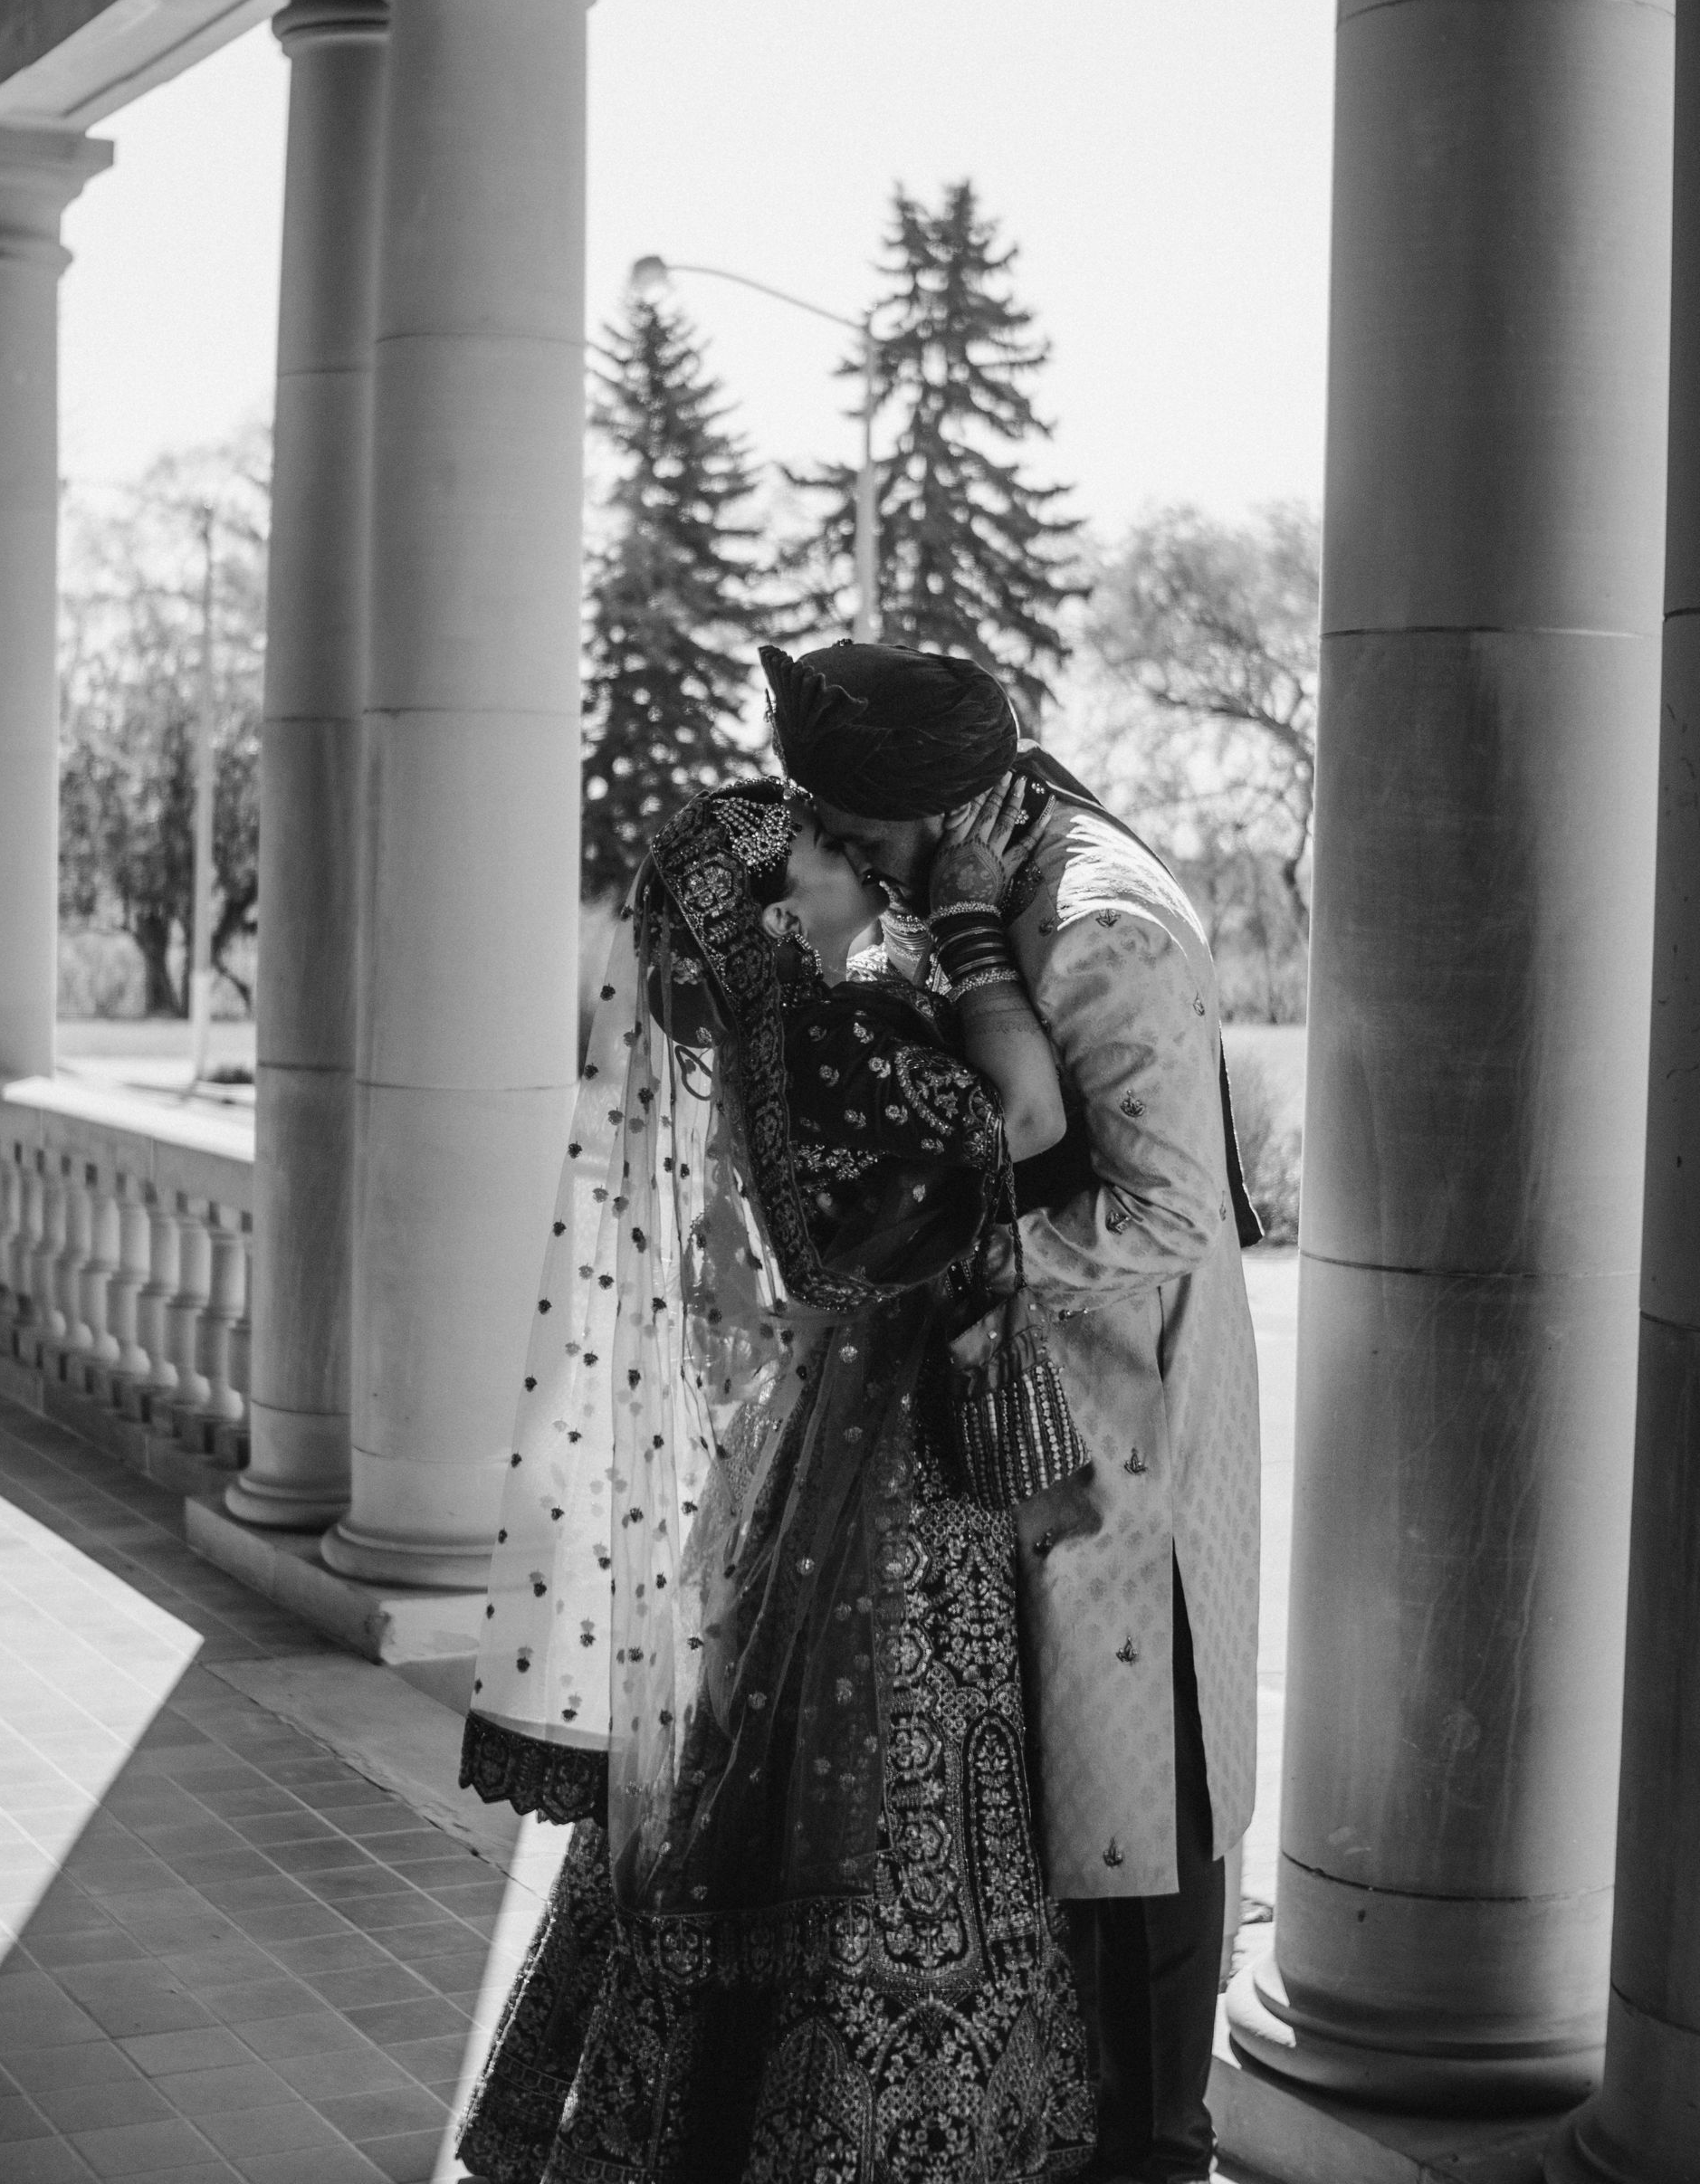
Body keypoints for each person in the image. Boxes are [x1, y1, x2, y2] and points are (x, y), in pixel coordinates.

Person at [456, 774, 1098, 2184]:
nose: (852, 844)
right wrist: (981, 922)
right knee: (882, 1770)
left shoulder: (770, 1036)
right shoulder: (832, 1031)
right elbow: (1030, 1120)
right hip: (889, 1463)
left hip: (810, 1438)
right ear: (780, 892)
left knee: (758, 1764)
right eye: (822, 837)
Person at [763, 641, 1262, 2184]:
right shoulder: (975, 890)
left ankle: (1154, 2158)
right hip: (1021, 1426)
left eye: (863, 831)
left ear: (944, 800)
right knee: (1062, 1809)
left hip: (1126, 1433)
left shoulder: (1097, 923)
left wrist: (949, 1259)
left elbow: (1176, 1212)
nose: (846, 858)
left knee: (1144, 1815)